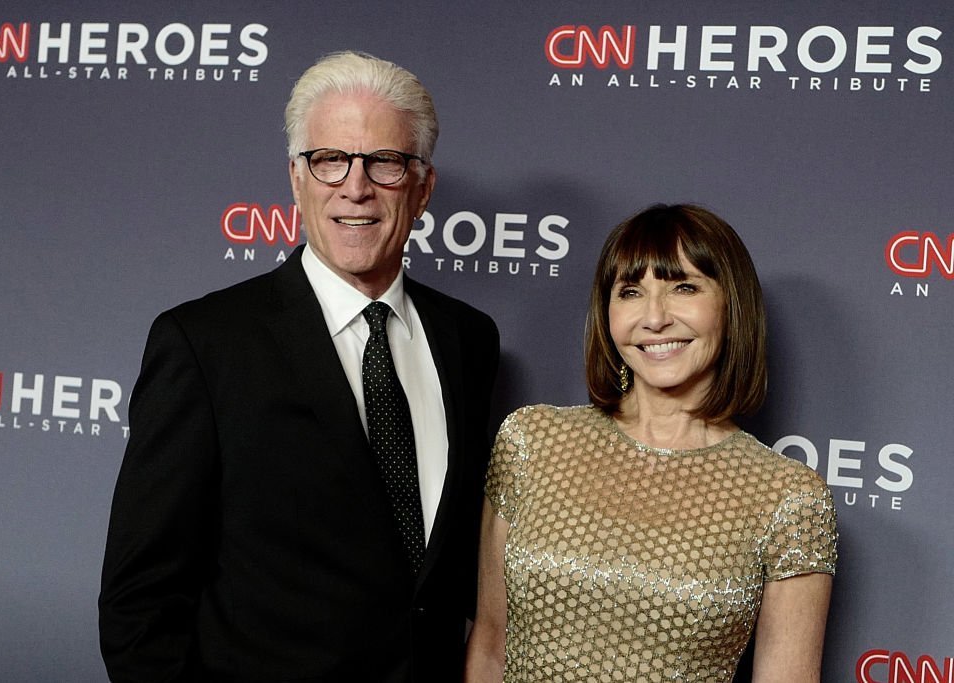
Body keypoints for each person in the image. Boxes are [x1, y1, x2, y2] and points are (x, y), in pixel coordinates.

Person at [99, 51, 499, 683]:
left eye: (385, 163)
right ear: (296, 178)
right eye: (329, 159)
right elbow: (139, 603)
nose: (355, 186)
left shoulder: (469, 339)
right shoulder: (205, 343)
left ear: (423, 187)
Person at [465, 204, 837, 682]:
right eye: (631, 292)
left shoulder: (788, 498)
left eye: (684, 287)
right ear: (608, 313)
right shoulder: (532, 442)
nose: (654, 318)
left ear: (732, 304)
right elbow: (491, 644)